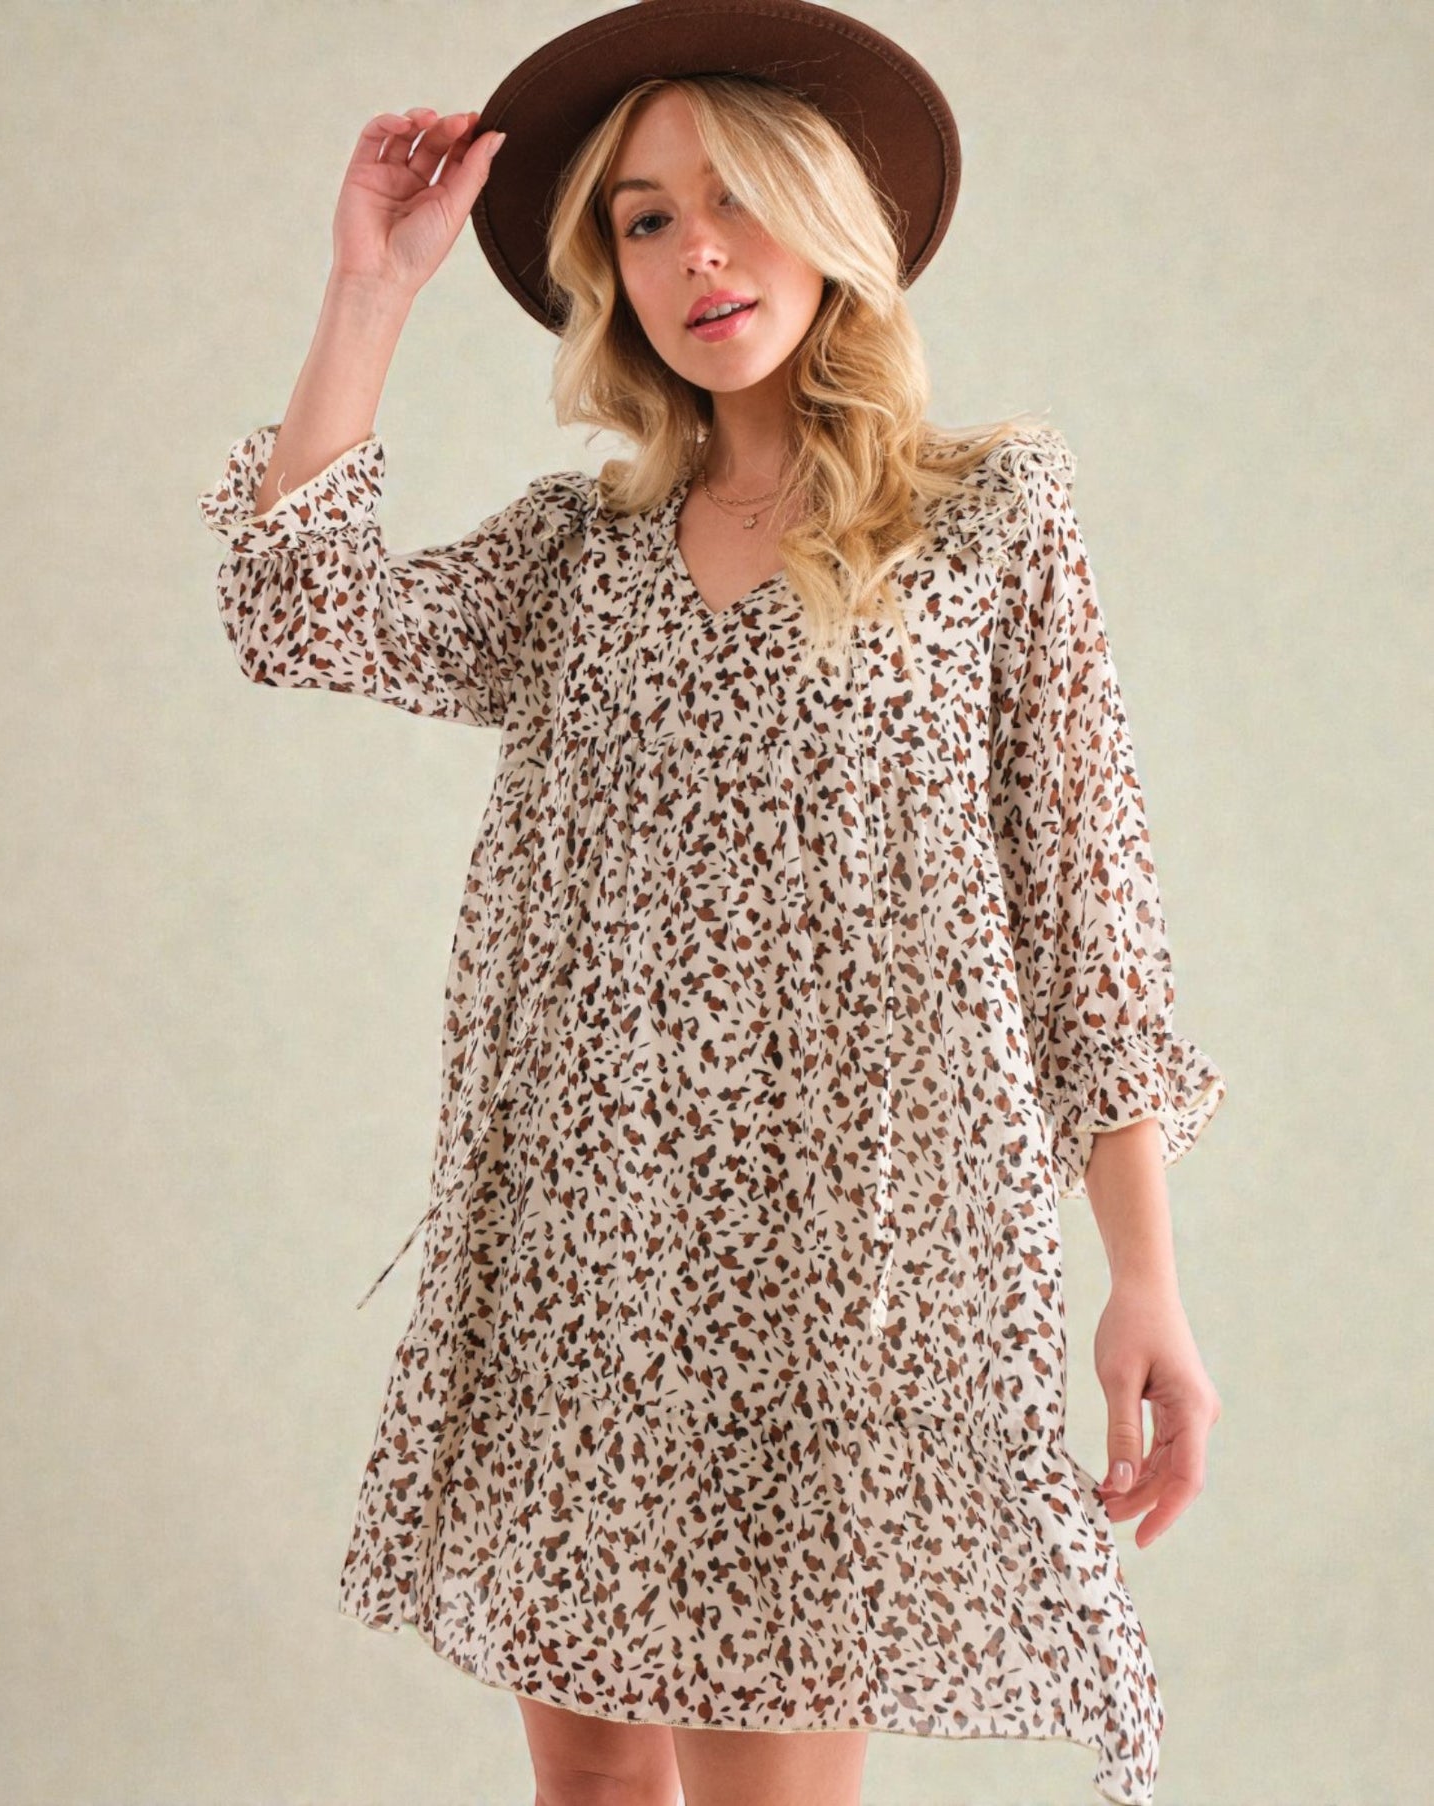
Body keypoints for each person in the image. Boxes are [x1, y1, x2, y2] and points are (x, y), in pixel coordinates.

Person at [195, 5, 1228, 1803]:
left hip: (842, 1264)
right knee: (591, 1783)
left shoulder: (986, 515)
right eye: (643, 218)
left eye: (735, 198)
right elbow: (301, 616)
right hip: (581, 1251)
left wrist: (1142, 1272)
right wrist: (373, 291)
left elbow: (1087, 915)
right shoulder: (575, 550)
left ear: (832, 220)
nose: (696, 253)